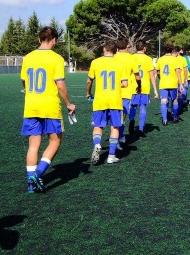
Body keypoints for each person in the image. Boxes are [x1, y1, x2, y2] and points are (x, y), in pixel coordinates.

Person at [21, 26, 76, 193]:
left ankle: (31, 185)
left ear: (39, 40)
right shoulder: (57, 59)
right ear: (54, 40)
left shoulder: (28, 58)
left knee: (33, 146)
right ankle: (37, 174)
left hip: (31, 107)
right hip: (50, 107)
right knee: (55, 141)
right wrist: (68, 104)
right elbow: (60, 85)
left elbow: (24, 81)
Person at [87, 40, 128, 165]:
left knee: (97, 126)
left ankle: (98, 144)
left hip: (100, 100)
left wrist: (89, 93)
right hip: (115, 100)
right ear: (115, 51)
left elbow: (89, 81)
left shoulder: (95, 62)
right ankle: (111, 155)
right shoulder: (120, 64)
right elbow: (125, 84)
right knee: (115, 127)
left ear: (104, 49)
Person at [114, 37, 141, 147]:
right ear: (127, 46)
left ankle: (117, 137)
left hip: (113, 90)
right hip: (125, 90)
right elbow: (137, 75)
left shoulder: (113, 57)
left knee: (114, 116)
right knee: (122, 116)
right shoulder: (131, 58)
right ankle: (119, 136)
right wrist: (140, 86)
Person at [129, 40, 158, 137]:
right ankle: (141, 128)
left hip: (134, 86)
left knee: (133, 106)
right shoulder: (148, 59)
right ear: (144, 48)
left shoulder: (131, 58)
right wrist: (155, 90)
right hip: (144, 86)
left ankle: (131, 121)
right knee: (143, 107)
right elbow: (152, 76)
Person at [155, 43, 184, 125]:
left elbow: (157, 72)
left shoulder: (160, 59)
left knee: (163, 101)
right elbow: (178, 72)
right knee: (174, 100)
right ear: (172, 50)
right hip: (173, 83)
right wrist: (181, 84)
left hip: (163, 83)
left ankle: (164, 120)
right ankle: (175, 117)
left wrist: (162, 78)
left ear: (164, 50)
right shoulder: (175, 59)